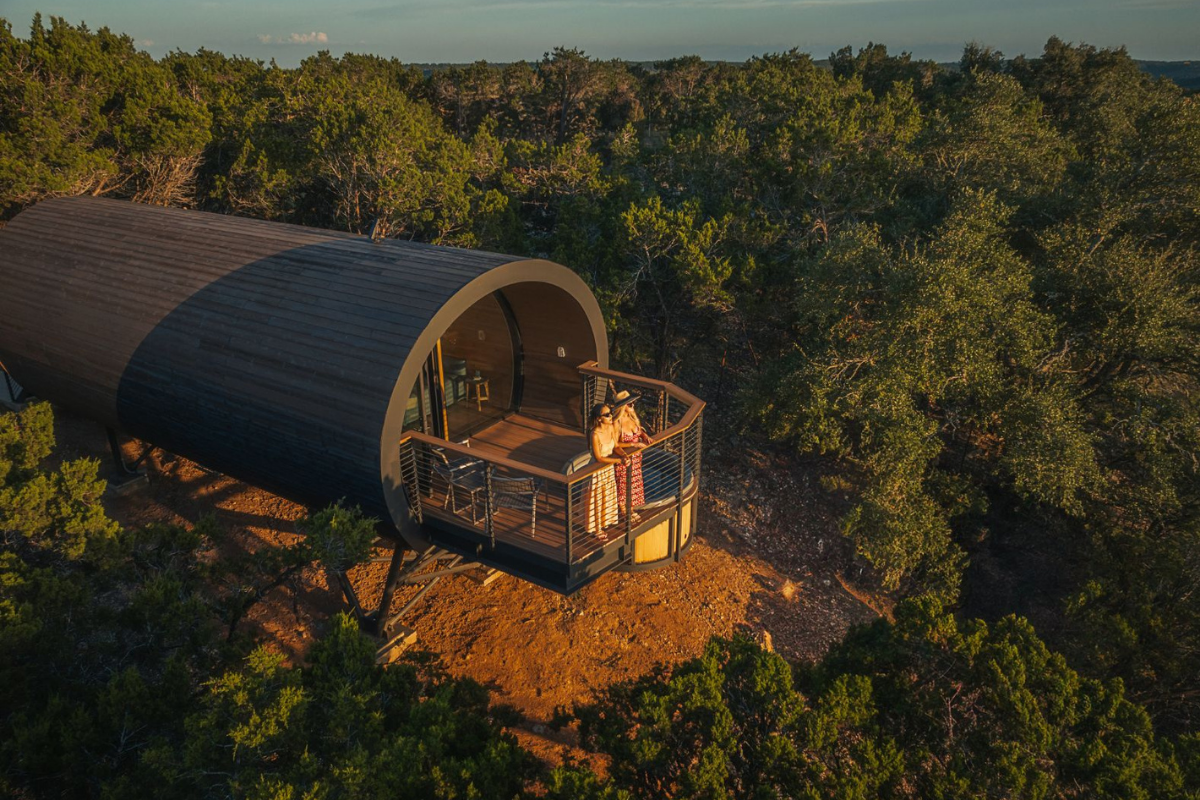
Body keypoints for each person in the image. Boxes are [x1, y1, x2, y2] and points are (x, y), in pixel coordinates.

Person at [585, 402, 624, 538]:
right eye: (607, 415)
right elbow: (599, 458)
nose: (610, 416)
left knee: (606, 496)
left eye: (610, 413)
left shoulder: (611, 428)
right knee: (597, 498)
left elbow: (616, 446)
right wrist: (618, 461)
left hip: (608, 468)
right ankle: (597, 529)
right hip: (597, 470)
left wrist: (624, 455)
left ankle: (603, 523)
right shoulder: (594, 434)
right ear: (599, 418)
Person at [612, 390, 651, 510]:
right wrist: (634, 444)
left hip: (636, 459)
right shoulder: (616, 423)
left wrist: (644, 436)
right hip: (625, 459)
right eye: (629, 404)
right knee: (623, 487)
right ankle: (625, 513)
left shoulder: (632, 418)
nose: (633, 405)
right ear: (622, 407)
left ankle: (631, 510)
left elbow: (639, 431)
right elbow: (615, 444)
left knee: (633, 485)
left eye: (633, 403)